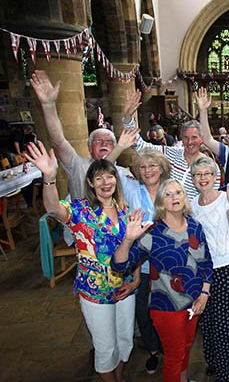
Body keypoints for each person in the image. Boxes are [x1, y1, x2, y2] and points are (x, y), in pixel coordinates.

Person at [25, 141, 139, 382]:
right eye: (99, 178)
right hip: (95, 290)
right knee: (106, 348)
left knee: (125, 341)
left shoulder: (124, 210)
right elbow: (53, 207)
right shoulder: (80, 211)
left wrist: (136, 279)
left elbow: (134, 249)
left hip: (125, 288)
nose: (106, 182)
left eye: (110, 177)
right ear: (90, 183)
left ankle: (119, 377)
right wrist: (49, 177)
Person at [111, 179, 213, 382]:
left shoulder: (195, 226)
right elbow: (120, 266)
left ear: (184, 197)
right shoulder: (152, 232)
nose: (174, 197)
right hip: (167, 307)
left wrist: (204, 293)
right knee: (174, 357)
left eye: (178, 192)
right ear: (160, 202)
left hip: (194, 303)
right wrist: (128, 240)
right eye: (168, 194)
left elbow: (206, 263)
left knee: (185, 350)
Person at [30, 70, 129, 199]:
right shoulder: (79, 165)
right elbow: (59, 142)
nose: (104, 143)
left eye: (109, 141)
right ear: (89, 148)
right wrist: (49, 106)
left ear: (115, 146)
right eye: (98, 141)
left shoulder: (124, 174)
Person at [116, 146, 171, 374]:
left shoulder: (170, 189)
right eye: (143, 166)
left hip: (168, 265)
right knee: (144, 313)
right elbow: (104, 168)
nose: (148, 170)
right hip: (142, 266)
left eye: (152, 165)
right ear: (136, 171)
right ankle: (153, 351)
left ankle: (170, 350)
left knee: (168, 311)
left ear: (162, 168)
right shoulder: (131, 188)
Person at [190, 157, 229, 381]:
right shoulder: (191, 205)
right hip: (203, 269)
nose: (202, 178)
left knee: (222, 321)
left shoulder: (225, 198)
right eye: (198, 174)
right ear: (193, 179)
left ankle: (227, 371)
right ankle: (213, 361)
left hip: (225, 265)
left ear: (215, 177)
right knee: (207, 320)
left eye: (207, 174)